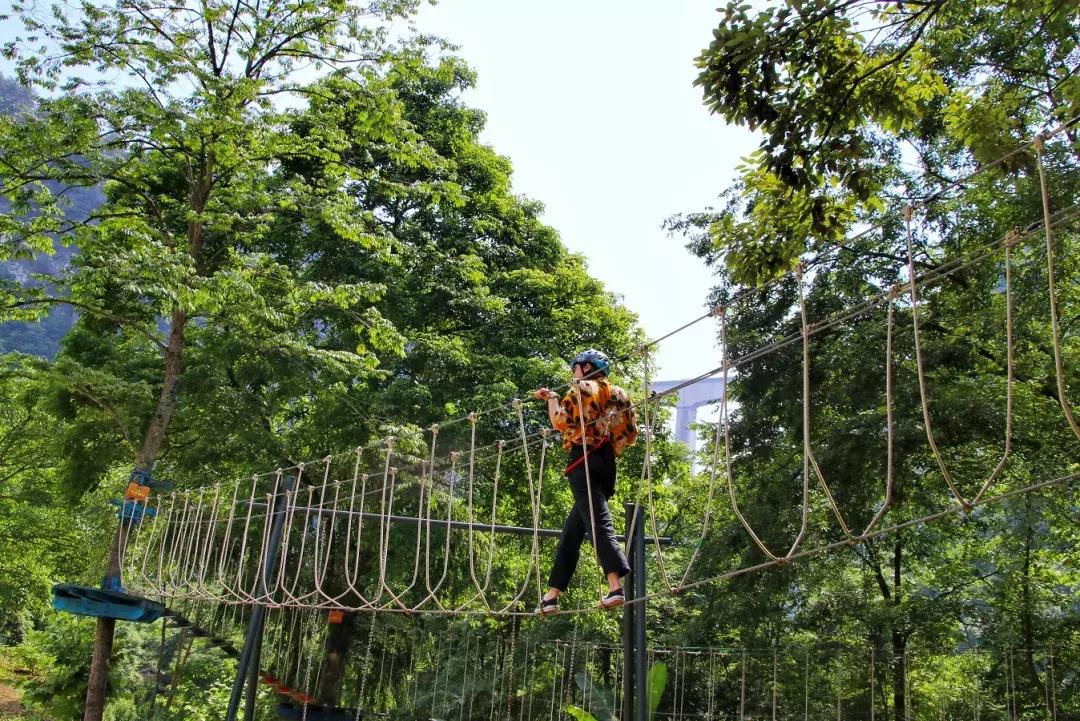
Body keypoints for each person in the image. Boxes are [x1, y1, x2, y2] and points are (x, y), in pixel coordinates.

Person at [532, 349, 638, 616]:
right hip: (607, 463)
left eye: (575, 366)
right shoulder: (620, 394)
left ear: (587, 367)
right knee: (573, 531)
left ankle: (615, 587)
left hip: (584, 459)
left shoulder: (582, 388)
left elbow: (560, 421)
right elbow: (631, 433)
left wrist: (553, 400)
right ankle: (552, 595)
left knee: (598, 523)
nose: (573, 372)